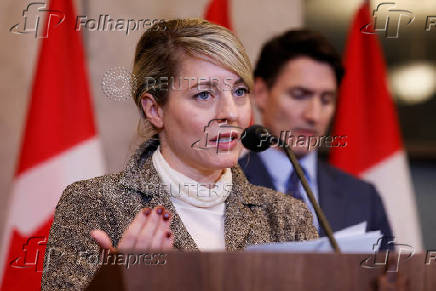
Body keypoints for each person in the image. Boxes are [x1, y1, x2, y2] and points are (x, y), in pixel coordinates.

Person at [41, 19, 318, 290]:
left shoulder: (286, 217)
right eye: (204, 95)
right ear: (154, 110)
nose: (231, 112)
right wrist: (116, 285)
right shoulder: (95, 204)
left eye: (239, 91)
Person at [239, 29, 393, 249]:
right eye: (300, 95)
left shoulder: (364, 197)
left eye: (326, 99)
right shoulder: (222, 186)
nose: (313, 115)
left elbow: (389, 278)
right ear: (261, 93)